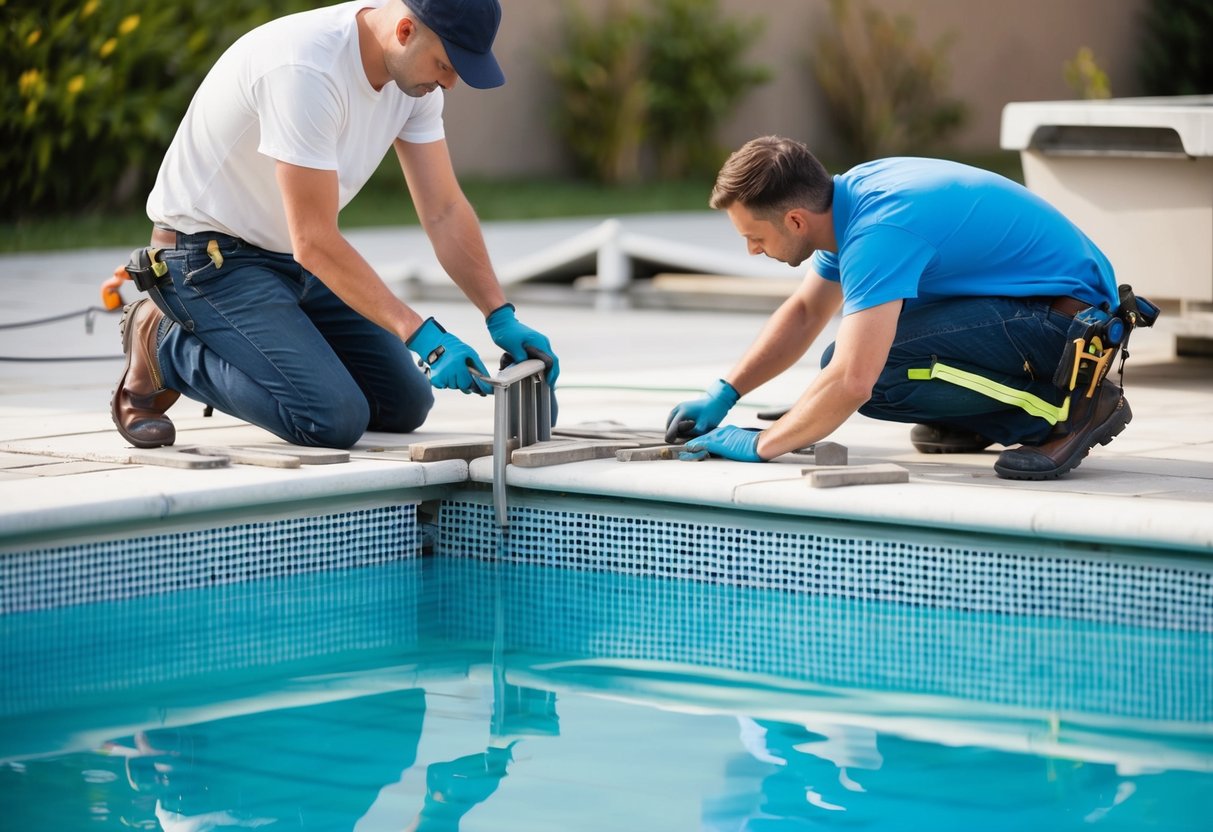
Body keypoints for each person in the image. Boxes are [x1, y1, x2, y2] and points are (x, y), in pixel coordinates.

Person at [111, 0, 559, 451]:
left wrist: (499, 316)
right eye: (446, 64)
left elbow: (443, 210)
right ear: (405, 31)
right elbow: (315, 240)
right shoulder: (307, 68)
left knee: (405, 405)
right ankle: (164, 345)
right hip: (207, 260)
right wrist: (424, 337)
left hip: (290, 258)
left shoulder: (414, 84)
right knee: (331, 418)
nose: (449, 82)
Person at [668, 136, 1155, 480]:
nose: (752, 250)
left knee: (875, 376)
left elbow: (853, 380)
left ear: (795, 219)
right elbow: (804, 314)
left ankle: (1067, 410)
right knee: (846, 365)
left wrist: (761, 446)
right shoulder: (849, 199)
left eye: (755, 237)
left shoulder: (880, 231)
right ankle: (981, 417)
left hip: (1069, 328)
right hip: (1036, 309)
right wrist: (726, 392)